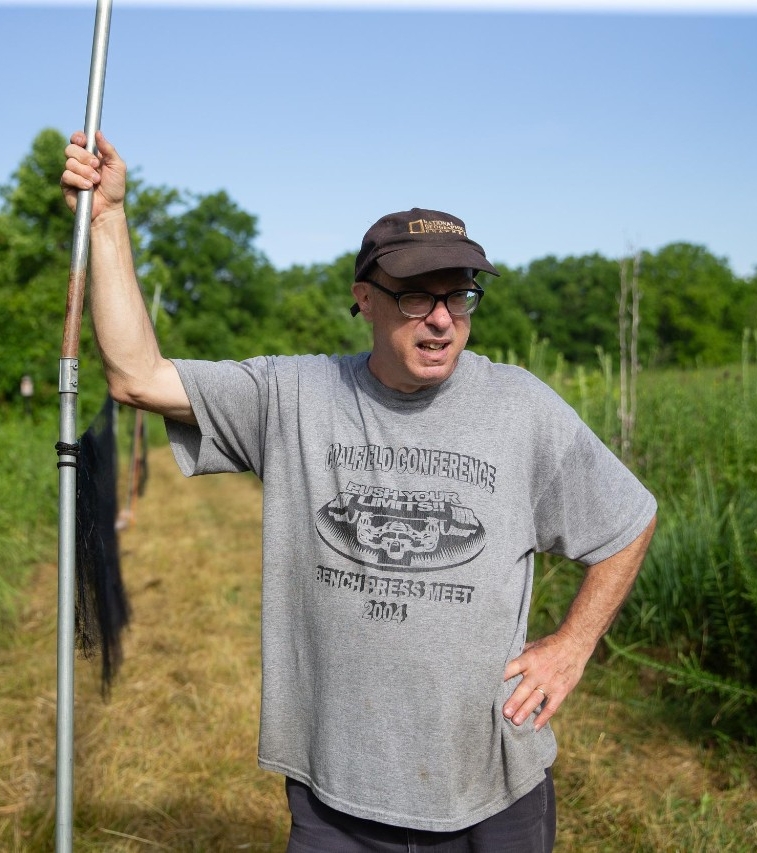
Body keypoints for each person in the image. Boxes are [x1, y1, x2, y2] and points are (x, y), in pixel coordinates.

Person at [61, 130, 657, 853]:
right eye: (414, 297)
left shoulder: (521, 408)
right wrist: (108, 219)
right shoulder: (295, 395)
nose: (442, 318)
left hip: (490, 788)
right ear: (364, 300)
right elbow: (136, 374)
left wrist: (572, 644)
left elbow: (626, 519)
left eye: (459, 296)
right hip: (335, 798)